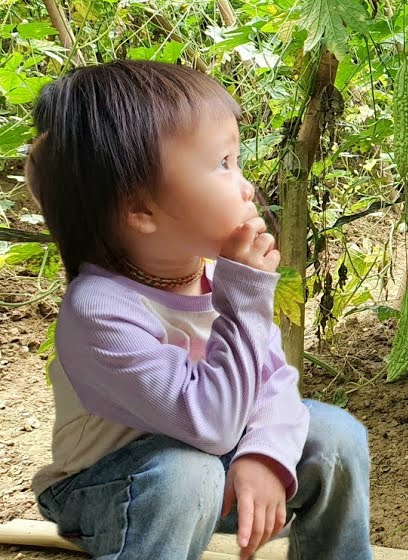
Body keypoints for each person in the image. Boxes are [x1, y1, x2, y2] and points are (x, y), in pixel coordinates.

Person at [25, 61, 373, 560]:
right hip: (106, 487)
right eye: (222, 164)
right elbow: (208, 424)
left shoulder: (213, 273)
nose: (246, 185)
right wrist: (246, 295)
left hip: (205, 462)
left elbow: (270, 380)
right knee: (187, 473)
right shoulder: (98, 312)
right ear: (140, 211)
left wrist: (266, 454)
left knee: (336, 437)